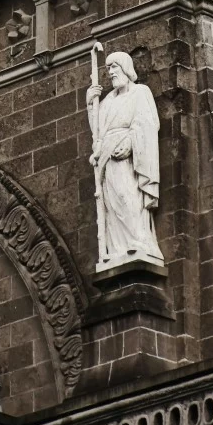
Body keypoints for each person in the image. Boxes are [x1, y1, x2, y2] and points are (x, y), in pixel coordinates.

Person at [86, 49, 164, 267]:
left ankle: (139, 242)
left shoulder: (140, 92)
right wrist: (90, 104)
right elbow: (98, 131)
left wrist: (130, 143)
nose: (110, 72)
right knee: (112, 203)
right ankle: (118, 248)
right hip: (107, 156)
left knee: (127, 196)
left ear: (126, 68)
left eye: (114, 67)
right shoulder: (108, 100)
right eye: (108, 68)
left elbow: (148, 123)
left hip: (128, 152)